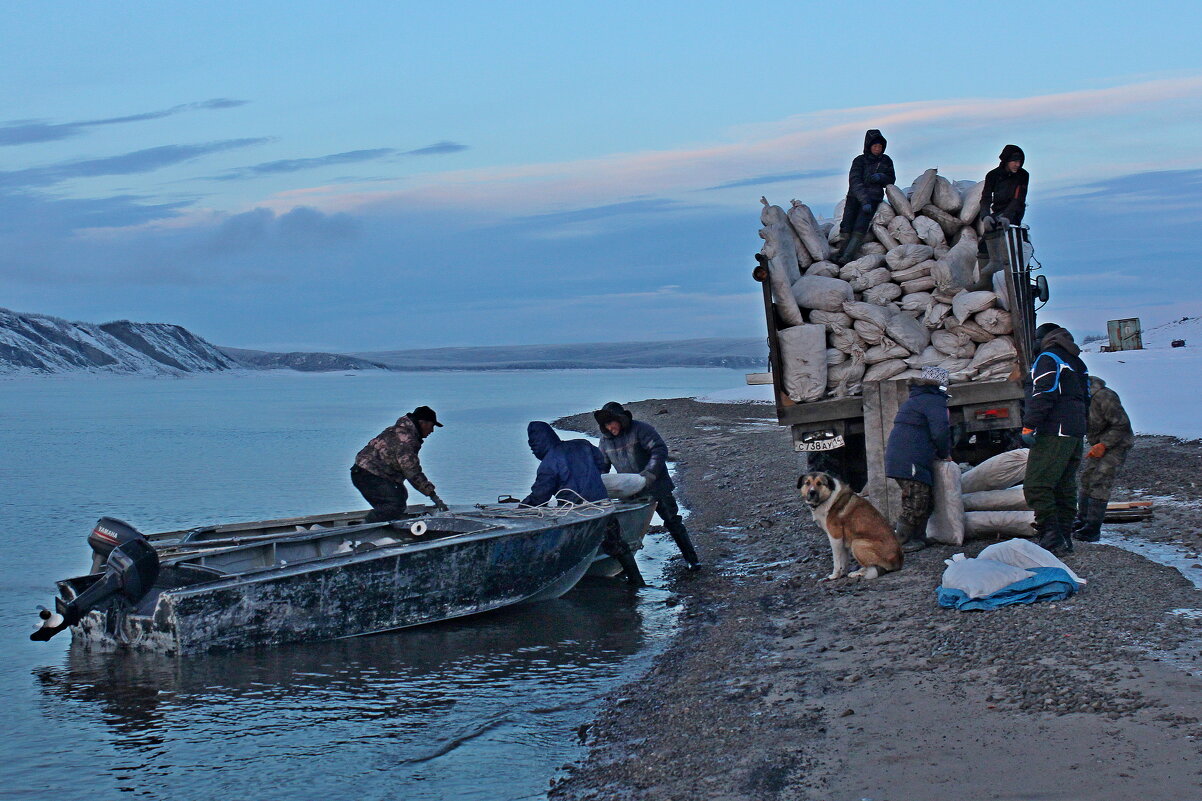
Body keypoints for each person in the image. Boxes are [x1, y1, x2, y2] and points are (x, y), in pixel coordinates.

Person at [594, 401, 700, 570]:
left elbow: (659, 450)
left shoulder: (641, 429)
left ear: (620, 419)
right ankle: (622, 566)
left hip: (657, 485)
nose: (609, 428)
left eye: (610, 423)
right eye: (605, 425)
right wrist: (593, 486)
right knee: (624, 529)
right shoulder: (605, 442)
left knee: (672, 522)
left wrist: (649, 474)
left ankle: (692, 560)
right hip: (630, 491)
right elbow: (601, 467)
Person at [1021, 323, 1089, 555]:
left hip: (1055, 432)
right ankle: (1064, 536)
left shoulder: (1048, 358)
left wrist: (1030, 426)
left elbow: (1043, 394)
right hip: (1074, 433)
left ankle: (1051, 538)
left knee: (1037, 485)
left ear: (1043, 340)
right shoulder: (1076, 361)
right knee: (1063, 485)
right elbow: (1086, 397)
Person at [884, 366, 953, 553]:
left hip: (905, 457)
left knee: (925, 500)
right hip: (909, 460)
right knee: (916, 501)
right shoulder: (932, 400)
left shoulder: (918, 399)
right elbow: (940, 431)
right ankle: (902, 541)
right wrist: (944, 453)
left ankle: (918, 537)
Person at [351, 405, 447, 522]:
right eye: (432, 426)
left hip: (364, 472)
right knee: (394, 504)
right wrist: (433, 495)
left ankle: (385, 524)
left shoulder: (400, 431)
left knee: (399, 495)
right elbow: (412, 471)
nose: (432, 431)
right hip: (369, 474)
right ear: (423, 423)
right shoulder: (406, 440)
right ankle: (367, 529)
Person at [1073, 376, 1133, 543]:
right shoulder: (1081, 399)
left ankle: (1093, 528)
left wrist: (1104, 444)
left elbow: (1122, 425)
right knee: (1087, 478)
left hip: (1117, 443)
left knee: (1100, 480)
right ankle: (1082, 520)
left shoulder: (1104, 396)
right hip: (1098, 444)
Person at [834, 129, 895, 265]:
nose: (877, 149)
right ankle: (840, 253)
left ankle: (847, 257)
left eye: (880, 146)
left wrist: (881, 177)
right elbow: (855, 181)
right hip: (855, 197)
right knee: (847, 225)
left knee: (860, 227)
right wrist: (864, 200)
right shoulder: (859, 161)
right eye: (874, 146)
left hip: (873, 199)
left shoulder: (886, 161)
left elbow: (891, 179)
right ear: (868, 146)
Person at [521, 421, 608, 506]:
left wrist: (523, 506)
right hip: (601, 501)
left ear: (536, 445)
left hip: (574, 508)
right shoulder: (583, 444)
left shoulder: (548, 464)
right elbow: (601, 463)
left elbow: (540, 496)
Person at [977, 145, 1030, 284]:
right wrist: (985, 216)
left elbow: (1018, 199)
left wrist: (1007, 216)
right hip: (998, 210)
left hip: (1015, 211)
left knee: (1003, 233)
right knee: (984, 241)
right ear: (1006, 160)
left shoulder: (1023, 176)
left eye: (1020, 162)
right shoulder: (993, 175)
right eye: (1014, 161)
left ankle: (997, 262)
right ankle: (985, 282)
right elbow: (986, 197)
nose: (1017, 165)